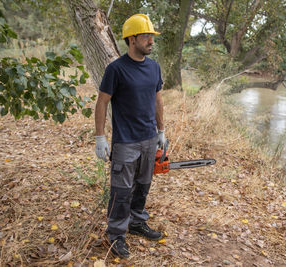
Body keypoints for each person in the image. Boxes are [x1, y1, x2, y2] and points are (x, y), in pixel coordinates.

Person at [94, 13, 166, 258]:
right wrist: (100, 137)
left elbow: (158, 100)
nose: (151, 41)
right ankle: (116, 235)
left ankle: (136, 222)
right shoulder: (116, 69)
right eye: (146, 36)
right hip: (125, 141)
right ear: (132, 39)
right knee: (121, 191)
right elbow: (102, 102)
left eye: (151, 37)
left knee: (143, 186)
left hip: (148, 139)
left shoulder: (154, 67)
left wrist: (162, 131)